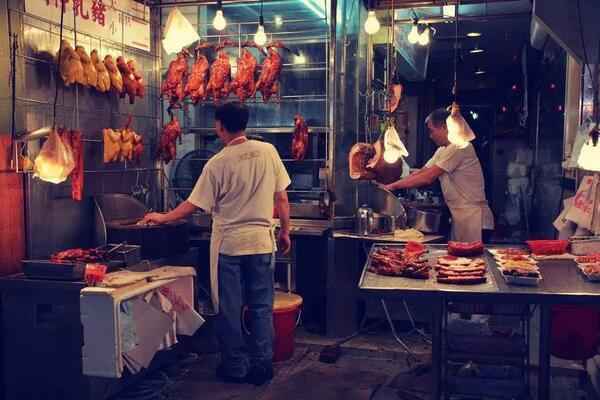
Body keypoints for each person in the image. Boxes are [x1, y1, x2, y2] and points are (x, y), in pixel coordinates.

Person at [141, 102, 291, 385]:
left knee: (230, 308)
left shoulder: (218, 162)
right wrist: (285, 232)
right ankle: (263, 366)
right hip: (261, 243)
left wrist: (162, 217)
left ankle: (235, 367)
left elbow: (192, 205)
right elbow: (281, 198)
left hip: (230, 247)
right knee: (261, 306)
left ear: (221, 126)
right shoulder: (268, 152)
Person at [383, 108, 494, 242]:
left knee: (474, 262)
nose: (430, 136)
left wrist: (392, 187)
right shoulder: (442, 150)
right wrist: (391, 181)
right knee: (459, 261)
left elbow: (427, 178)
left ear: (444, 127)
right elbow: (422, 172)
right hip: (461, 218)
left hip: (475, 219)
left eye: (431, 130)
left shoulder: (459, 147)